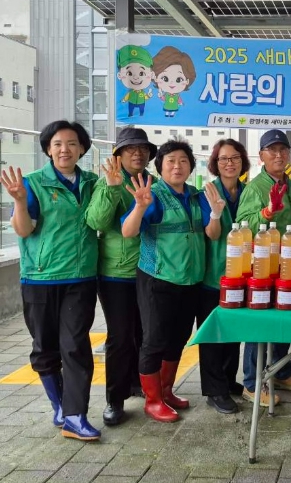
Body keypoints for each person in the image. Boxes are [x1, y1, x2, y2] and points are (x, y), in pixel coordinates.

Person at [1, 120, 101, 440]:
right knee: (45, 348)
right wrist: (19, 200)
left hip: (80, 278)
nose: (64, 150)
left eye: (71, 143)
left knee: (75, 346)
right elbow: (23, 229)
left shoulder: (93, 183)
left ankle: (75, 415)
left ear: (82, 148)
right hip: (40, 278)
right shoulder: (32, 183)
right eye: (57, 144)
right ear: (47, 149)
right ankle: (59, 406)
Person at [121, 139, 224, 423]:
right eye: (171, 161)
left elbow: (213, 234)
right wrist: (139, 207)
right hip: (158, 279)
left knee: (178, 339)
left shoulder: (196, 196)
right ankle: (152, 401)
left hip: (190, 280)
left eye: (183, 161)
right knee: (154, 340)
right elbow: (128, 232)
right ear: (160, 167)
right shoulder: (152, 195)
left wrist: (216, 213)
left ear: (191, 167)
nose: (177, 166)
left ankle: (166, 391)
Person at [85, 127, 157, 426]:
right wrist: (113, 189)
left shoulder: (156, 183)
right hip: (116, 272)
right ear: (118, 155)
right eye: (130, 149)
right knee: (120, 336)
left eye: (142, 148)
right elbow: (96, 221)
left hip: (150, 270)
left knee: (144, 334)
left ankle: (137, 383)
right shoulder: (108, 182)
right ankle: (114, 399)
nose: (137, 153)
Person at [236, 129, 291, 408]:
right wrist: (266, 213)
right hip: (263, 267)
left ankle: (281, 372)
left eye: (283, 150)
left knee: (283, 320)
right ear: (261, 156)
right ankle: (252, 384)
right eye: (272, 150)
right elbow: (243, 224)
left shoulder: (287, 183)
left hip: (286, 265)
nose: (278, 155)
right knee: (261, 324)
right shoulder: (256, 187)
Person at [197, 139, 251, 414]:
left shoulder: (247, 192)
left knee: (233, 331)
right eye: (223, 159)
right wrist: (216, 214)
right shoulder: (207, 193)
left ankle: (228, 380)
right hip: (214, 275)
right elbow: (212, 234)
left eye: (235, 158)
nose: (230, 163)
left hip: (241, 274)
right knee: (213, 334)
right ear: (215, 164)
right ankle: (214, 390)